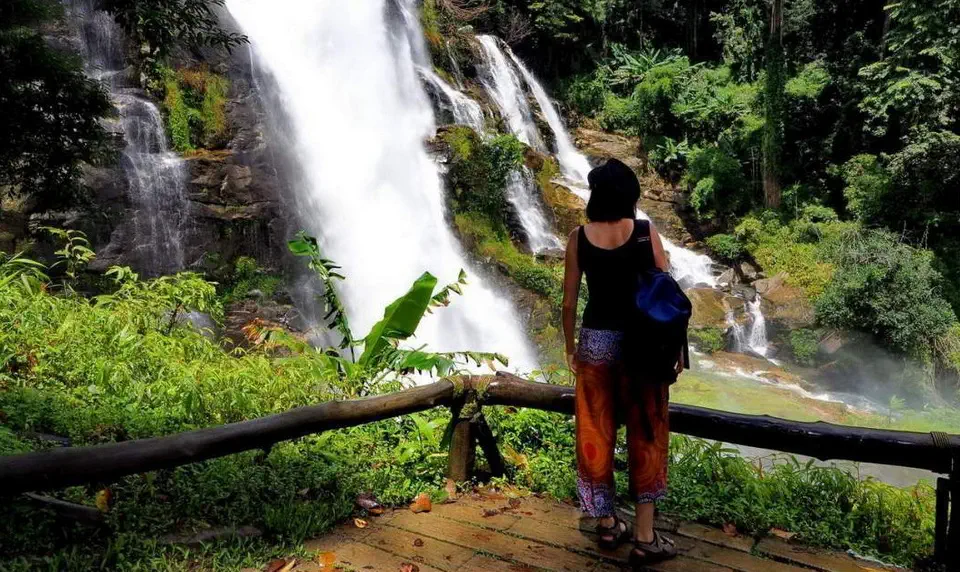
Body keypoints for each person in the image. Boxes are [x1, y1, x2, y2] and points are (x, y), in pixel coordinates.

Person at [561, 158, 680, 567]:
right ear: (631, 195)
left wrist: (570, 348)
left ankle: (608, 522)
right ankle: (645, 536)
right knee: (647, 432)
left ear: (595, 196)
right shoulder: (646, 233)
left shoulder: (578, 237)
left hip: (596, 343)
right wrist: (676, 352)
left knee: (596, 431)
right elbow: (665, 296)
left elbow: (569, 302)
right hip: (643, 345)